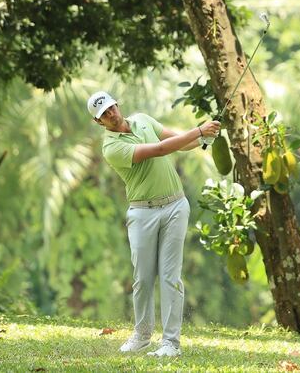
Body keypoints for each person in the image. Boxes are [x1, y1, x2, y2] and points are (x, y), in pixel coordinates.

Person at [86, 91, 220, 357]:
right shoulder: (111, 147)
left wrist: (204, 137)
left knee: (171, 277)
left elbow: (177, 143)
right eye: (104, 114)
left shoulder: (143, 120)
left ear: (117, 104)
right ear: (99, 122)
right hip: (142, 213)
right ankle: (142, 336)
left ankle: (171, 343)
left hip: (175, 206)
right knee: (143, 279)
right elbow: (159, 150)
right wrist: (198, 130)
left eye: (111, 107)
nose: (111, 114)